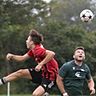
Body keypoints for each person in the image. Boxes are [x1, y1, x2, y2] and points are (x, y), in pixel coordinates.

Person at [0, 29, 59, 96]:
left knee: (35, 94)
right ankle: (1, 81)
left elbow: (52, 53)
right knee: (20, 72)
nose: (26, 41)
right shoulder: (33, 50)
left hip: (51, 76)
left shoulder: (37, 49)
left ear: (32, 42)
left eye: (27, 40)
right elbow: (22, 58)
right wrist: (12, 56)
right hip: (43, 73)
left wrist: (40, 64)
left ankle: (45, 93)